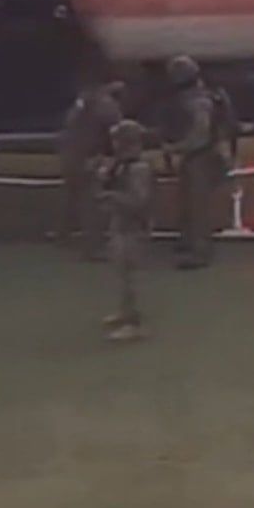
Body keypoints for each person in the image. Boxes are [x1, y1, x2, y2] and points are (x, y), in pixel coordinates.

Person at [161, 55, 234, 270]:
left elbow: (200, 136)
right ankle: (188, 240)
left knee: (197, 206)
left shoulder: (198, 101)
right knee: (187, 201)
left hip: (203, 156)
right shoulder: (203, 96)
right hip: (197, 156)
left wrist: (175, 148)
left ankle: (200, 252)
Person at [96, 120, 155, 342]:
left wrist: (111, 197)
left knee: (131, 276)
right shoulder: (121, 165)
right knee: (122, 272)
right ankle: (125, 312)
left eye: (117, 140)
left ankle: (134, 323)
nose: (114, 144)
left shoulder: (139, 168)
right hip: (121, 223)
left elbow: (138, 201)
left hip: (134, 227)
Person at [57, 80, 125, 260]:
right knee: (91, 204)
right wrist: (109, 160)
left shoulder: (82, 102)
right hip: (88, 157)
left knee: (71, 197)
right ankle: (93, 249)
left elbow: (68, 125)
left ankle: (63, 237)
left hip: (69, 154)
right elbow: (118, 135)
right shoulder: (109, 107)